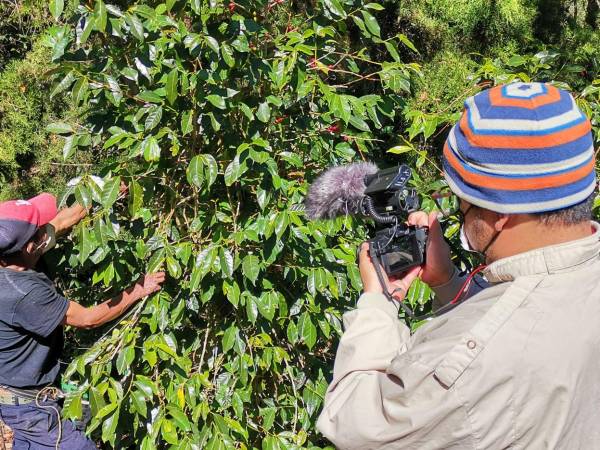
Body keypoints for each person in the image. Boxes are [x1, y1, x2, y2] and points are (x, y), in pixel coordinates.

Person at [317, 82, 600, 449]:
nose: (456, 214)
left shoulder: (471, 366)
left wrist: (377, 304)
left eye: (462, 202)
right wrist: (448, 282)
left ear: (498, 214)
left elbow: (353, 423)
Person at [0, 193, 166, 449]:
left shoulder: (12, 257)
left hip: (18, 399)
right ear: (30, 247)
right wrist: (138, 289)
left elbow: (64, 220)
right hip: (32, 409)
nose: (47, 229)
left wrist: (105, 193)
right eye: (41, 229)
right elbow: (89, 318)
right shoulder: (23, 293)